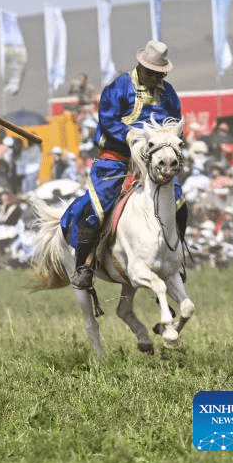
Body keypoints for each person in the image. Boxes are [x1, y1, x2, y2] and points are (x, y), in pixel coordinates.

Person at [60, 40, 188, 290]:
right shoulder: (118, 88)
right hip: (116, 163)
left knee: (180, 205)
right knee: (96, 210)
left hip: (156, 166)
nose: (155, 78)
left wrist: (171, 145)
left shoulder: (169, 93)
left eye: (160, 74)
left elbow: (176, 125)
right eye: (152, 74)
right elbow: (107, 121)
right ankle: (84, 266)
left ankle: (175, 259)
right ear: (142, 68)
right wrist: (133, 140)